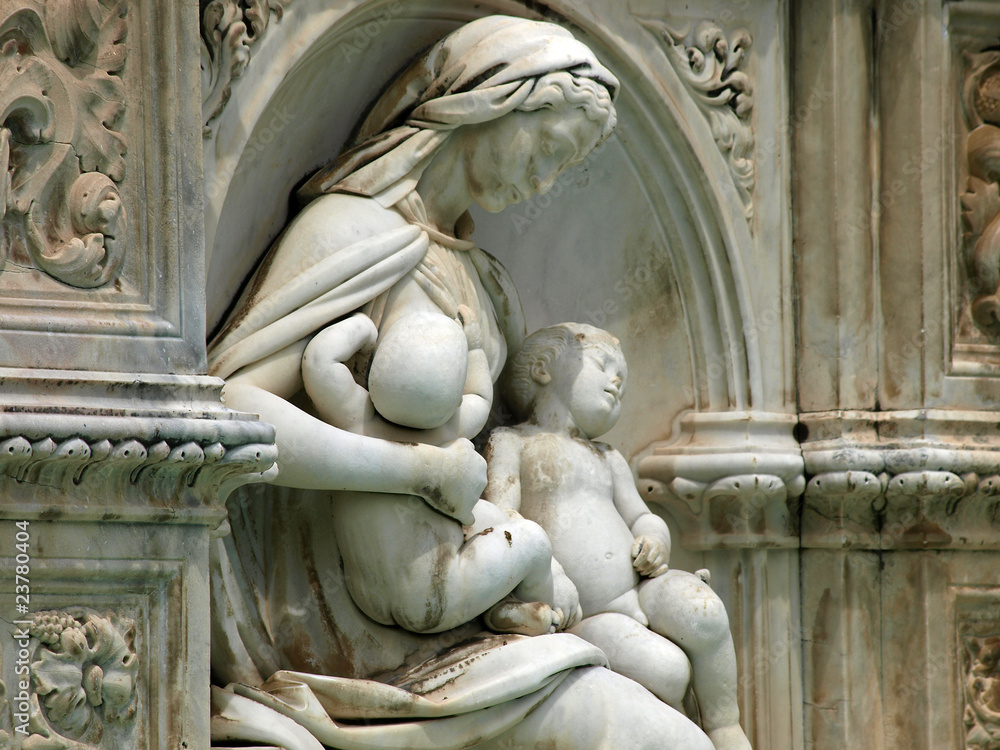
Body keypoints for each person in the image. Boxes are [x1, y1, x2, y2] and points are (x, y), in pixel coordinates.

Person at [208, 15, 715, 750]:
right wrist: (410, 470)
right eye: (546, 147)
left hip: (469, 616)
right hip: (353, 638)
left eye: (561, 169)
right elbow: (232, 413)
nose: (542, 180)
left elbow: (506, 463)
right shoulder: (350, 233)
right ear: (486, 102)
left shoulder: (489, 287)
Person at [485, 323, 752, 750]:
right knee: (666, 669)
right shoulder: (511, 442)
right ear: (542, 369)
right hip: (589, 615)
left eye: (623, 381)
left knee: (703, 610)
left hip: (641, 586)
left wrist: (655, 540)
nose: (616, 384)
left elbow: (642, 516)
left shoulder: (608, 457)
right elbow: (502, 517)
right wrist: (550, 571)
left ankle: (725, 723)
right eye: (604, 366)